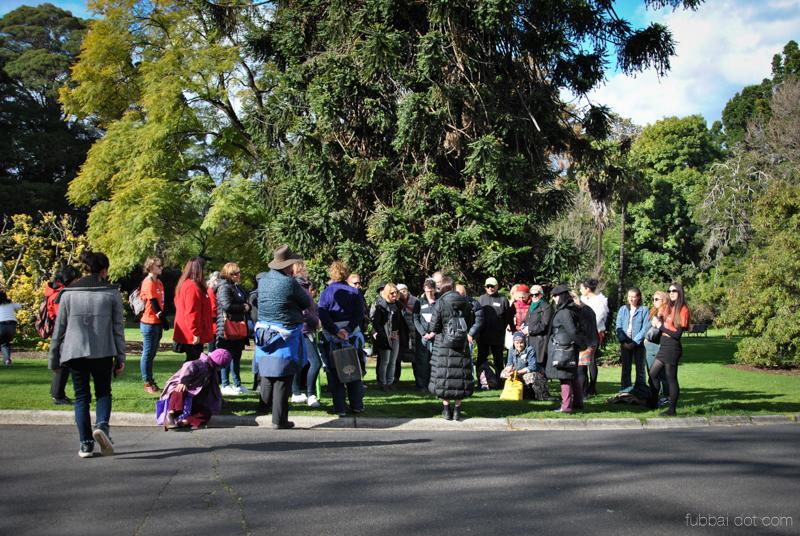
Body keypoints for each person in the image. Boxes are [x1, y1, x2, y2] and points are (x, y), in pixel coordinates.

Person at [48, 251, 126, 458]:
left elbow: (59, 329)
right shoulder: (112, 293)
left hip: (75, 352)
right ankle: (102, 426)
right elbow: (118, 328)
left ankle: (85, 444)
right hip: (103, 351)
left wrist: (54, 358)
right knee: (103, 392)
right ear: (104, 270)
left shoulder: (68, 294)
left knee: (81, 397)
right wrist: (121, 357)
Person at [255, 245, 311, 429]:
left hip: (264, 332)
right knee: (283, 376)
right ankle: (279, 420)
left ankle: (264, 406)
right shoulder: (289, 283)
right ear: (287, 265)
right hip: (285, 333)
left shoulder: (264, 280)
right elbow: (305, 302)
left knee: (268, 371)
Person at [319, 261, 366, 416]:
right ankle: (357, 405)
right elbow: (359, 314)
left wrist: (336, 330)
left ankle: (340, 408)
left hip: (333, 337)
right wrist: (347, 329)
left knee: (335, 373)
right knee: (353, 371)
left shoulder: (326, 293)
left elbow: (323, 315)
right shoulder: (355, 292)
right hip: (350, 336)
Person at [428, 277, 474, 421]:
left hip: (443, 343)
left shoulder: (440, 303)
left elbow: (434, 327)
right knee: (460, 377)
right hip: (461, 344)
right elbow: (469, 322)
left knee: (444, 377)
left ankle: (446, 410)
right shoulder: (465, 302)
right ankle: (457, 411)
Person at [159, 348, 232, 430]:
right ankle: (170, 416)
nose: (222, 368)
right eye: (222, 367)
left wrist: (220, 399)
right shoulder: (202, 363)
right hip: (179, 391)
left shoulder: (211, 370)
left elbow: (215, 388)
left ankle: (183, 422)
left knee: (207, 412)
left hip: (191, 396)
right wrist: (183, 382)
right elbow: (188, 366)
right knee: (180, 390)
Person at [648, 282, 690, 416]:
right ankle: (654, 403)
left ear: (680, 293)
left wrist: (661, 327)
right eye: (669, 291)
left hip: (673, 346)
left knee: (671, 378)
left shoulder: (683, 310)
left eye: (674, 291)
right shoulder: (669, 308)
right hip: (664, 344)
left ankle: (672, 409)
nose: (671, 293)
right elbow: (662, 322)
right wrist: (656, 322)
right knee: (653, 373)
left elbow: (677, 335)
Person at [44, 264, 82, 403]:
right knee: (62, 364)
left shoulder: (56, 291)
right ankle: (58, 395)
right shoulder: (59, 294)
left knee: (63, 363)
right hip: (63, 332)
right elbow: (62, 314)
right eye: (76, 279)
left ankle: (57, 393)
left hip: (62, 331)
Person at [214, 262, 253, 396]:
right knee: (226, 356)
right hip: (227, 326)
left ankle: (237, 383)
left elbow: (245, 301)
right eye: (234, 273)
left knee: (237, 356)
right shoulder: (224, 287)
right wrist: (243, 308)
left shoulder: (237, 287)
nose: (238, 275)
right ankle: (225, 384)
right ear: (227, 274)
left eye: (239, 272)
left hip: (239, 325)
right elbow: (226, 306)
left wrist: (247, 306)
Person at [545, 284, 584, 414]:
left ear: (562, 296)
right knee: (572, 375)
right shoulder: (569, 309)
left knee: (565, 377)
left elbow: (572, 331)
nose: (554, 298)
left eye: (556, 296)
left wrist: (581, 345)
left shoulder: (565, 312)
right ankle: (578, 402)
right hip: (567, 347)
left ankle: (566, 406)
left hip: (563, 349)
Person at [290, 261, 322, 408]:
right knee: (315, 362)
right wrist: (316, 321)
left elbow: (309, 309)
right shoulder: (299, 287)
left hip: (305, 329)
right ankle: (310, 394)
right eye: (304, 271)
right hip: (303, 330)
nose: (306, 273)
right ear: (297, 272)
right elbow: (304, 311)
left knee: (300, 362)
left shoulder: (303, 287)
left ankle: (296, 392)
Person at [173, 258, 215, 361]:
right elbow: (192, 312)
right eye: (203, 269)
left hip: (190, 330)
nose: (205, 272)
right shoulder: (192, 287)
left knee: (193, 362)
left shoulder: (186, 284)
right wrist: (195, 332)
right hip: (191, 333)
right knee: (193, 363)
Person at [371, 283, 409, 391]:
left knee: (393, 362)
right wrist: (382, 334)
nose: (394, 295)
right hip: (385, 337)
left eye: (395, 293)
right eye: (392, 293)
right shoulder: (381, 306)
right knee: (385, 361)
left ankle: (390, 382)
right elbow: (376, 323)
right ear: (387, 293)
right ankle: (383, 383)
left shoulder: (398, 305)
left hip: (396, 336)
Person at [615, 287, 650, 396]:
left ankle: (640, 391)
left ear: (638, 297)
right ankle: (626, 391)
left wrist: (634, 342)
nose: (631, 299)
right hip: (625, 342)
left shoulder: (644, 310)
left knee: (640, 369)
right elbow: (619, 327)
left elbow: (645, 328)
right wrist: (623, 341)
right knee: (626, 368)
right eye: (629, 296)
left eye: (633, 297)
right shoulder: (623, 309)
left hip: (638, 344)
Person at [140, 257, 166, 394]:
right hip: (149, 322)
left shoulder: (159, 282)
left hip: (157, 323)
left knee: (152, 353)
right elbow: (154, 303)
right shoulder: (148, 282)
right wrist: (163, 318)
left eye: (161, 266)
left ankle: (150, 381)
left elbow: (162, 302)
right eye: (158, 266)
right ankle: (148, 383)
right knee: (148, 353)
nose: (161, 268)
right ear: (150, 267)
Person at [477, 277, 513, 376]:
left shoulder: (503, 300)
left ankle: (500, 380)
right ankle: (481, 380)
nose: (490, 288)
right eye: (488, 286)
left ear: (497, 286)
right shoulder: (481, 299)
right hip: (483, 336)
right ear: (485, 287)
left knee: (498, 360)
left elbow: (507, 318)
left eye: (492, 286)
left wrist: (500, 328)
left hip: (497, 337)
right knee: (481, 360)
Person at [579, 278, 608, 397]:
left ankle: (592, 386)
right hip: (584, 334)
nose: (580, 290)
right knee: (586, 360)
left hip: (594, 333)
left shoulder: (599, 302)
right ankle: (586, 386)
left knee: (591, 360)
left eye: (582, 288)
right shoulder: (583, 300)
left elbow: (597, 319)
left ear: (588, 289)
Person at [571, 292, 599, 398]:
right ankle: (585, 391)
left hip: (586, 343)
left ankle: (583, 393)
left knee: (581, 369)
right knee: (582, 368)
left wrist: (584, 343)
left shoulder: (584, 310)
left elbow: (587, 328)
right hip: (589, 342)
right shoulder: (586, 309)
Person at [412, 279, 437, 393]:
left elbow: (441, 318)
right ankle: (421, 386)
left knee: (434, 360)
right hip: (422, 336)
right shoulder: (419, 302)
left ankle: (432, 385)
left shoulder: (439, 302)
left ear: (435, 290)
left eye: (431, 291)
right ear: (424, 290)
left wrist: (434, 332)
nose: (429, 294)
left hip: (435, 335)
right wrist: (423, 333)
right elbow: (415, 318)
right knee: (422, 361)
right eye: (427, 291)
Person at [646, 291, 670, 403]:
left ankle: (667, 396)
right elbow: (646, 329)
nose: (654, 302)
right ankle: (655, 396)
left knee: (663, 374)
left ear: (664, 301)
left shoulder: (667, 314)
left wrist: (659, 323)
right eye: (653, 299)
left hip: (661, 346)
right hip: (650, 347)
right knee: (652, 373)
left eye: (657, 299)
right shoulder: (653, 314)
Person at [522, 284, 553, 373]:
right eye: (532, 295)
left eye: (537, 294)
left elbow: (544, 325)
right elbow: (526, 320)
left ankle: (542, 381)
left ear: (541, 294)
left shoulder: (546, 307)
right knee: (530, 366)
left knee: (540, 367)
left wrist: (529, 330)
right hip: (529, 341)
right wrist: (522, 327)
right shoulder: (531, 307)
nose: (534, 297)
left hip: (540, 342)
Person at [395, 283, 416, 384]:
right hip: (400, 333)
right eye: (400, 292)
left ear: (407, 291)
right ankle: (395, 378)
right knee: (397, 358)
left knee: (414, 358)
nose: (403, 293)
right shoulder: (395, 302)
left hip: (413, 333)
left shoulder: (415, 301)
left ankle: (418, 380)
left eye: (404, 291)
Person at [456, 284, 483, 361]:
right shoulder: (452, 303)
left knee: (468, 359)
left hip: (469, 335)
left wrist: (471, 333)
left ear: (465, 292)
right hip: (455, 335)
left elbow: (479, 320)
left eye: (462, 294)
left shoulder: (474, 303)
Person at [0, 290, 22, 366]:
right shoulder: (10, 304)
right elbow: (19, 306)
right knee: (5, 343)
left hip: (1, 324)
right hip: (11, 325)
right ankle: (7, 360)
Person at [207, 270, 220, 353]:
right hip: (214, 321)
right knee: (213, 345)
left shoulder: (213, 290)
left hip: (216, 320)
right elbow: (213, 307)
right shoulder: (211, 290)